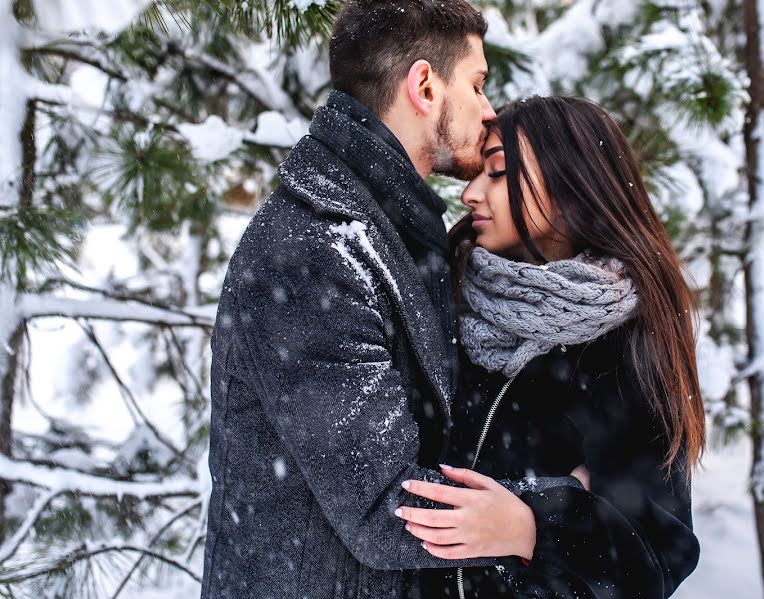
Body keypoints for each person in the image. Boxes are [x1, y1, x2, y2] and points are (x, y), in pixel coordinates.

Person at [200, 4, 583, 598]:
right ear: (425, 86)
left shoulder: (391, 228)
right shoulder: (314, 252)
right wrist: (560, 506)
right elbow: (385, 509)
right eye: (477, 84)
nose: (487, 111)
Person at [396, 96, 705, 598]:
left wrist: (532, 524)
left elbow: (659, 552)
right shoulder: (442, 286)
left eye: (497, 172)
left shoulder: (623, 340)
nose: (471, 194)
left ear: (572, 184)